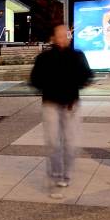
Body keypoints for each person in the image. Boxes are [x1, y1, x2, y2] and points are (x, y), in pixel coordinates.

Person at [29, 24, 93, 195]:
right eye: (60, 35)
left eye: (66, 35)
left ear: (69, 37)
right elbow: (34, 79)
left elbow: (87, 75)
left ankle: (67, 174)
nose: (63, 39)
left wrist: (74, 86)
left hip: (71, 105)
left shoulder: (77, 56)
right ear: (53, 38)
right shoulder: (44, 57)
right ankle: (56, 174)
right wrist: (49, 87)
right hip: (50, 103)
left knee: (71, 143)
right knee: (52, 142)